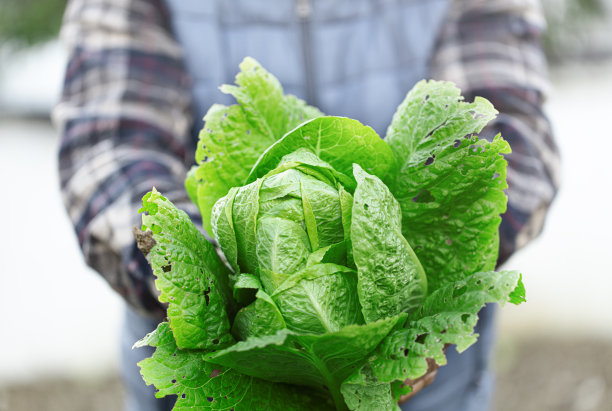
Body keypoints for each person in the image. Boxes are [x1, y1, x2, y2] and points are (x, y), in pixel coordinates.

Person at [53, 0, 560, 410]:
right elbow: (110, 147)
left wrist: (425, 304)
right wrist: (207, 291)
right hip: (210, 371)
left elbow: (504, 135)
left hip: (428, 377)